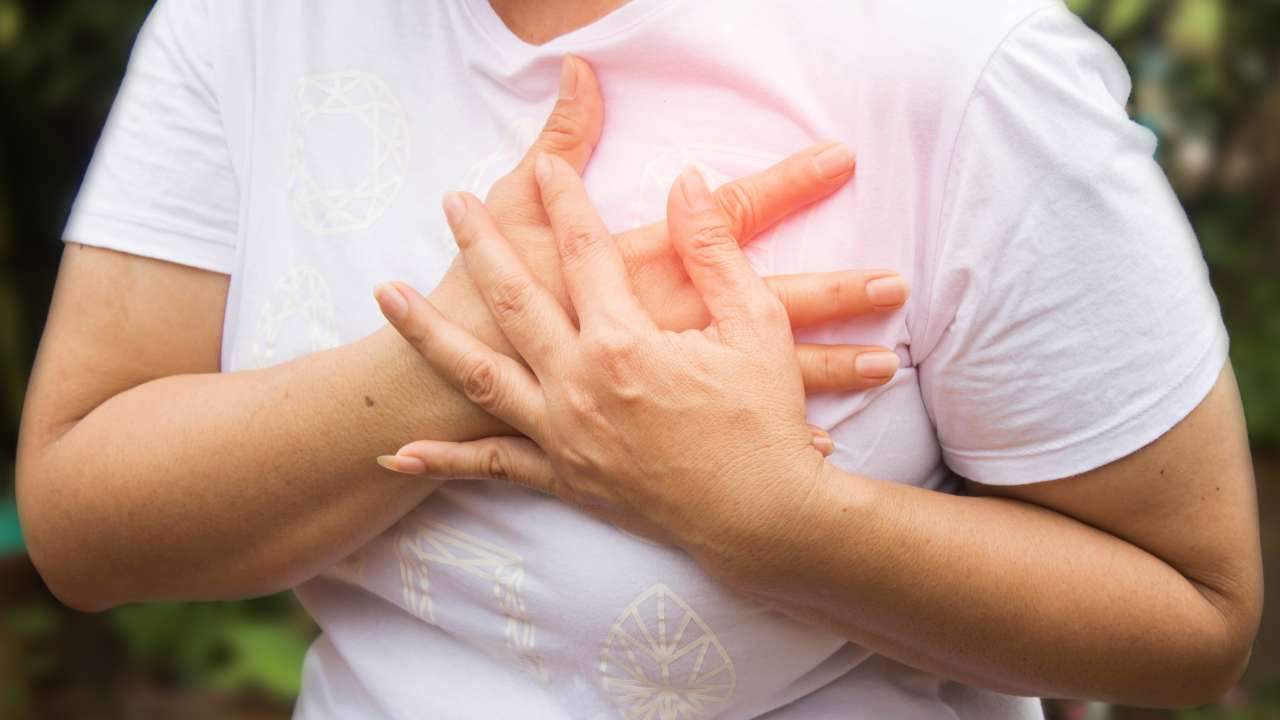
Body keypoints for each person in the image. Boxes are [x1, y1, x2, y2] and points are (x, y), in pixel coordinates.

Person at [16, 1, 1260, 719]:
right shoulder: (247, 20)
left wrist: (771, 519)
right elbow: (81, 519)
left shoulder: (961, 61)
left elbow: (1190, 619)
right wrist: (459, 361)